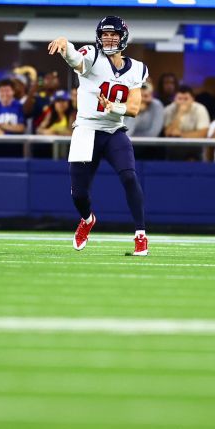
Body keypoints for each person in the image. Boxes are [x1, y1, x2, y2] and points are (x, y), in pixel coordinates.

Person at [47, 17, 150, 256]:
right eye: (104, 34)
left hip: (114, 131)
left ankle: (141, 235)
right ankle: (87, 219)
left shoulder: (137, 68)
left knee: (129, 178)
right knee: (79, 194)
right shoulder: (93, 56)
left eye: (113, 34)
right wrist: (65, 45)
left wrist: (113, 107)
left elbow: (134, 109)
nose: (108, 38)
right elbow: (76, 58)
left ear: (123, 37)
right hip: (86, 130)